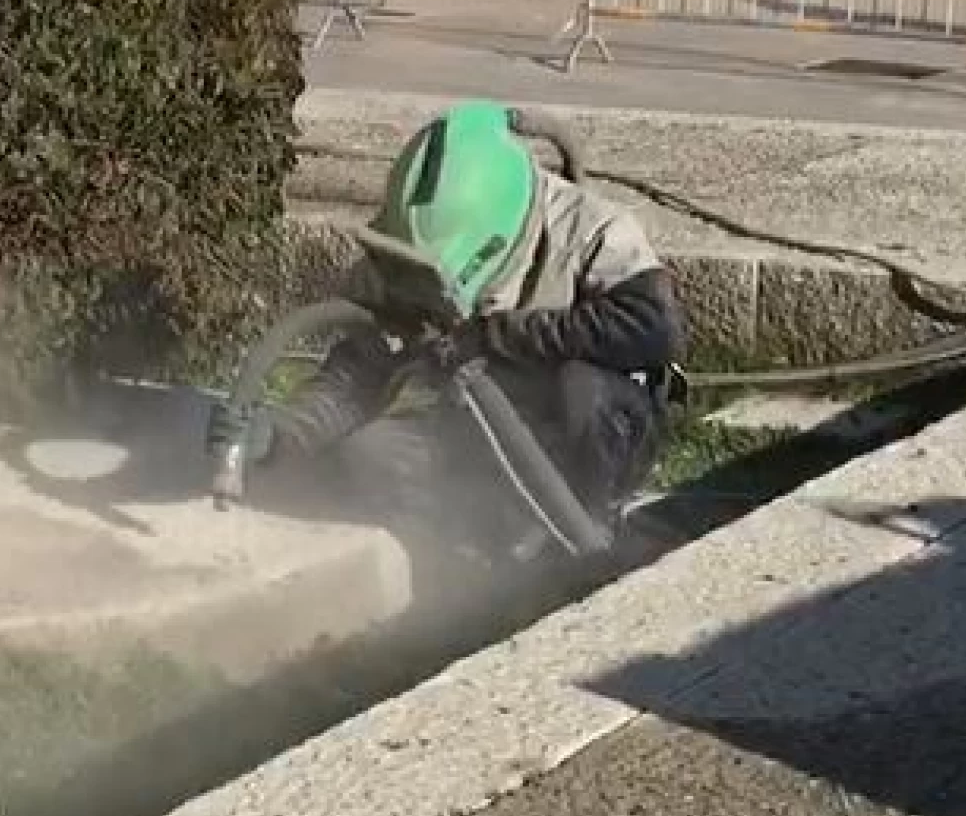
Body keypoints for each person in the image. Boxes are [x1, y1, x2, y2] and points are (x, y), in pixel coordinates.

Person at [206, 100, 688, 560]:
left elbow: (653, 329)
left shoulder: (593, 231)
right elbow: (360, 371)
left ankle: (587, 536)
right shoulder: (407, 253)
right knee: (365, 456)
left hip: (591, 428)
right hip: (478, 426)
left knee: (583, 389)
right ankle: (474, 542)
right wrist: (284, 435)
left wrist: (493, 337)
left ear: (498, 244)